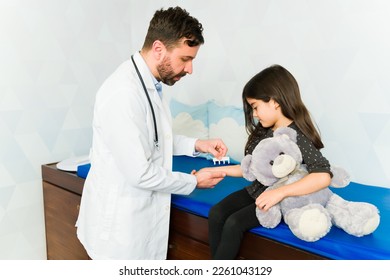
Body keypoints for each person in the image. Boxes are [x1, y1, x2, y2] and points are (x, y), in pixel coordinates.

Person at [76, 6, 228, 260]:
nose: (190, 70)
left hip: (139, 226)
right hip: (120, 235)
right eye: (185, 59)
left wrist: (198, 144)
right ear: (159, 49)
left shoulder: (149, 85)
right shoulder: (123, 93)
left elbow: (155, 139)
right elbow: (140, 173)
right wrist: (193, 182)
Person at [198, 64, 333, 259]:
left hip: (279, 199)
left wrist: (280, 193)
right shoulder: (266, 131)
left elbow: (323, 176)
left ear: (275, 102)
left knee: (234, 223)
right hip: (259, 190)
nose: (254, 114)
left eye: (255, 107)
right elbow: (253, 168)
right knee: (217, 213)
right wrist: (216, 171)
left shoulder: (297, 135)